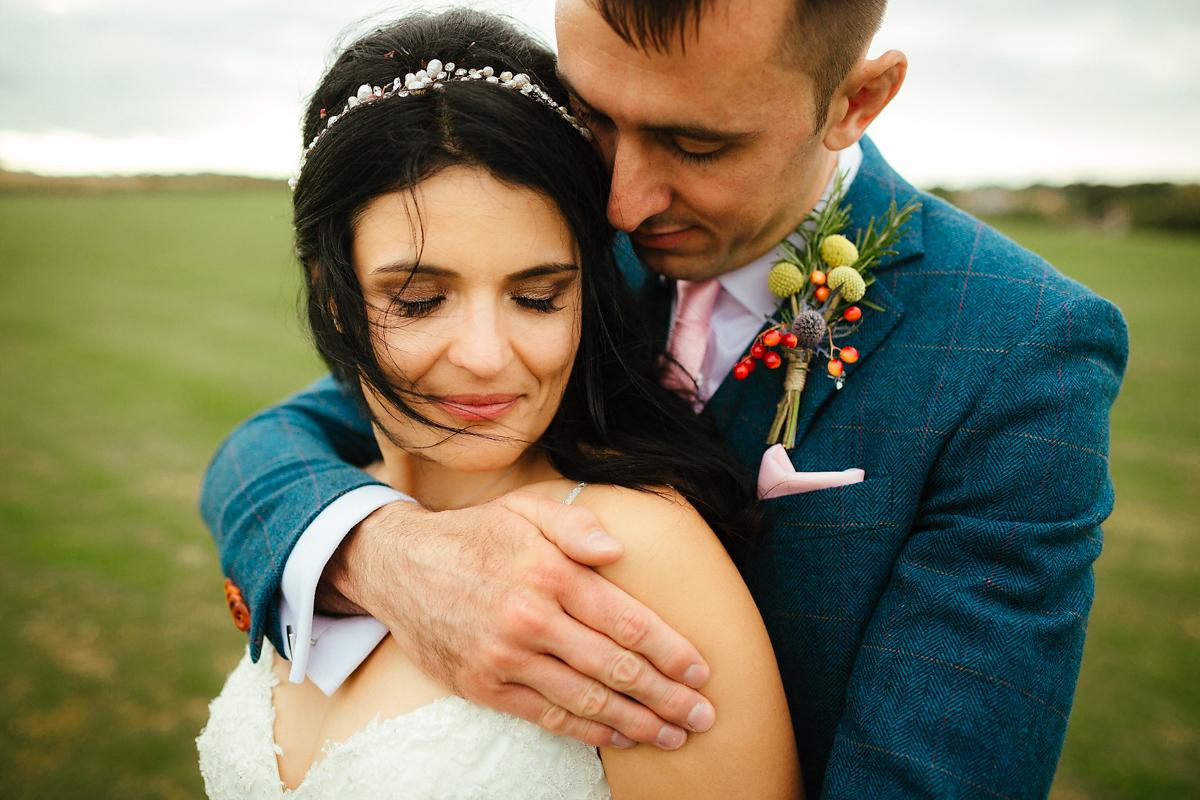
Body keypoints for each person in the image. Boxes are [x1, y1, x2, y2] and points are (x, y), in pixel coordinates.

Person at [202, 0, 1129, 797]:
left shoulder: (1020, 352)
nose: (623, 201)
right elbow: (280, 438)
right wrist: (380, 550)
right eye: (594, 116)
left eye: (696, 144)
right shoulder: (536, 235)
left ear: (857, 99)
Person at [196, 9, 799, 799]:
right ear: (332, 296)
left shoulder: (632, 558)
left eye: (538, 296)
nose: (485, 355)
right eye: (417, 300)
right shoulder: (324, 519)